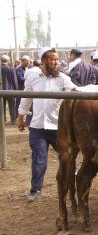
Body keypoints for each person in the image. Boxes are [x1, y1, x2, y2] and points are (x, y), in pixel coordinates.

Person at [17, 47, 76, 202]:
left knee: (67, 156)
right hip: (37, 127)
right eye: (52, 59)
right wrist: (21, 116)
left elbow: (75, 91)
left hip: (58, 127)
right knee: (39, 158)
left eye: (56, 59)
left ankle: (73, 182)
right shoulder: (33, 78)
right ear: (43, 61)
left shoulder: (62, 78)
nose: (55, 62)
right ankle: (35, 189)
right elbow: (26, 98)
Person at [1, 55, 18, 124]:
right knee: (12, 106)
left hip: (1, 91)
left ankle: (2, 120)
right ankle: (13, 120)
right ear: (7, 61)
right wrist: (16, 90)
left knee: (2, 107)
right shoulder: (11, 69)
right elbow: (14, 80)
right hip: (10, 91)